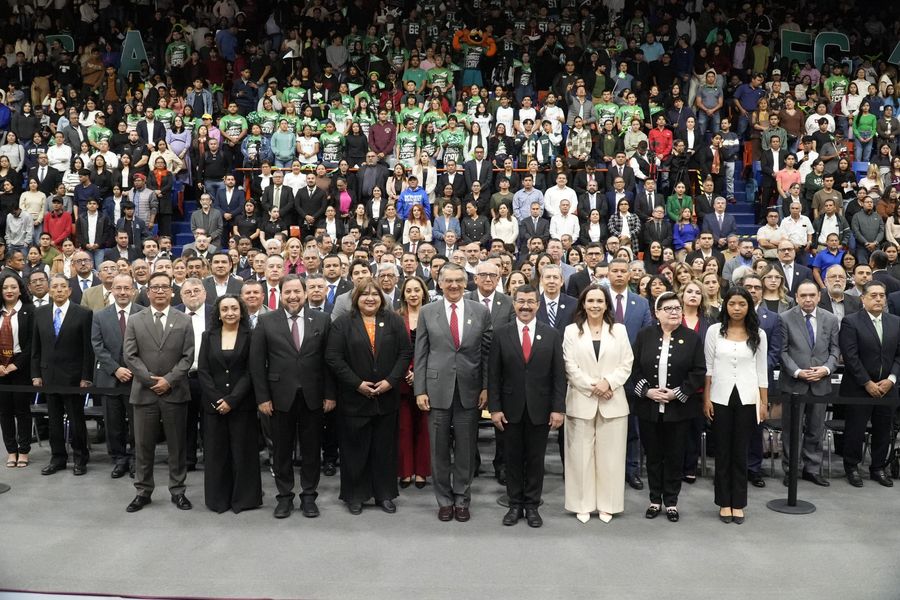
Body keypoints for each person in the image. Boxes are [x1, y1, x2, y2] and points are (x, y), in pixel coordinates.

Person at [250, 275, 336, 519]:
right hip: (278, 397)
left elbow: (329, 361)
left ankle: (309, 495)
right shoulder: (266, 321)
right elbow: (257, 363)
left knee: (312, 450)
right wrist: (262, 398)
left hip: (313, 396)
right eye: (287, 292)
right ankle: (285, 496)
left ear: (305, 293)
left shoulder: (322, 319)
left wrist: (330, 394)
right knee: (281, 450)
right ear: (281, 295)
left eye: (297, 291)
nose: (293, 296)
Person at [325, 278, 412, 515]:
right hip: (354, 398)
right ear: (356, 298)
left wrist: (390, 381)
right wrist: (357, 384)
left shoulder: (394, 320)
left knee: (384, 449)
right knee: (355, 450)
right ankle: (355, 495)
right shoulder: (343, 323)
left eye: (375, 294)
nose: (370, 298)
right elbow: (333, 357)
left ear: (382, 298)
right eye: (365, 294)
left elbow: (405, 353)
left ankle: (385, 494)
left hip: (386, 397)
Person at [414, 263, 492, 523]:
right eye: (449, 280)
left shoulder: (480, 312)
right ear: (440, 283)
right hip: (436, 390)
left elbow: (486, 354)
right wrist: (420, 390)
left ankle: (462, 498)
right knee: (438, 449)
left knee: (465, 449)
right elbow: (421, 353)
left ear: (466, 282)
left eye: (459, 280)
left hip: (470, 390)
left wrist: (486, 387)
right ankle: (444, 500)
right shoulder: (427, 312)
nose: (454, 285)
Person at [488, 284, 565, 528]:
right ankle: (514, 505)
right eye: (521, 301)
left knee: (535, 459)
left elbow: (559, 376)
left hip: (540, 409)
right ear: (514, 304)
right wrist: (494, 408)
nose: (525, 306)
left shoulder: (551, 334)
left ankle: (531, 506)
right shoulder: (501, 333)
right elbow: (493, 375)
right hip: (509, 409)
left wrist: (558, 408)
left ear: (538, 305)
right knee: (512, 459)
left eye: (531, 302)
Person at [123, 272, 195, 512]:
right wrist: (151, 380)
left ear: (172, 292)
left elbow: (188, 357)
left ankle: (178, 490)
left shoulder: (184, 320)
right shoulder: (135, 320)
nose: (161, 291)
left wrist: (169, 380)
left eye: (165, 287)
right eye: (155, 287)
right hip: (145, 393)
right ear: (148, 292)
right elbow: (129, 355)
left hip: (175, 392)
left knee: (177, 446)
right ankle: (143, 491)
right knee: (143, 446)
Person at [563, 284, 634, 524]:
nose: (595, 305)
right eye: (590, 301)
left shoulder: (619, 331)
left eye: (600, 301)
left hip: (613, 400)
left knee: (611, 457)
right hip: (580, 399)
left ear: (606, 305)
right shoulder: (571, 331)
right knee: (580, 457)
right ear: (583, 304)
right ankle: (581, 503)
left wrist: (608, 383)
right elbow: (569, 365)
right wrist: (592, 386)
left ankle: (608, 504)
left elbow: (627, 362)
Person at [631, 292, 705, 521]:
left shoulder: (692, 338)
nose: (674, 312)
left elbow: (698, 371)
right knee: (653, 455)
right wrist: (647, 391)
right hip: (649, 407)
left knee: (674, 456)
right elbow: (634, 368)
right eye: (668, 308)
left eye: (677, 308)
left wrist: (677, 393)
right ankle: (654, 500)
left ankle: (671, 502)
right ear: (657, 313)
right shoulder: (644, 336)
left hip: (679, 409)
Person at [704, 286, 769, 524]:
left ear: (749, 307)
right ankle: (724, 502)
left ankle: (738, 502)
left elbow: (761, 370)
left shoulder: (758, 334)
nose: (737, 308)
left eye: (742, 304)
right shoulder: (714, 331)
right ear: (725, 306)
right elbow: (708, 368)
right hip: (719, 397)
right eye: (732, 304)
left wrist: (764, 402)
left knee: (741, 450)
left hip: (747, 397)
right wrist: (706, 398)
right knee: (723, 451)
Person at [197, 294, 262, 513]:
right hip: (214, 406)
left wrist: (232, 400)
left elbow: (251, 371)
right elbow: (203, 371)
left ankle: (244, 499)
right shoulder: (208, 336)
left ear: (241, 312)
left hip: (241, 405)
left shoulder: (251, 336)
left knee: (243, 454)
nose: (230, 313)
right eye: (225, 309)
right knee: (217, 454)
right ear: (218, 313)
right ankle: (218, 500)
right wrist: (218, 399)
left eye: (234, 308)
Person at [838, 281, 900, 488]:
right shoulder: (851, 322)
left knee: (883, 430)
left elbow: (899, 355)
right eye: (873, 295)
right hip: (859, 387)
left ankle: (878, 468)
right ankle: (852, 467)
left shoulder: (895, 322)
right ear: (863, 298)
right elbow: (850, 357)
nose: (878, 299)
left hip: (887, 388)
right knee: (855, 430)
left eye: (882, 295)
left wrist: (891, 379)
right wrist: (867, 382)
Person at [31, 273, 94, 476]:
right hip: (48, 376)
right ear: (49, 291)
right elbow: (36, 347)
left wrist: (86, 377)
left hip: (74, 377)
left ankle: (80, 458)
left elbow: (88, 349)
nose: (58, 290)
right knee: (54, 421)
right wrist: (36, 374)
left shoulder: (83, 313)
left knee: (76, 420)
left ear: (69, 290)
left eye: (62, 286)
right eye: (55, 286)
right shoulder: (40, 313)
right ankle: (57, 458)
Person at [778, 280, 840, 487]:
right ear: (796, 297)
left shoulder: (830, 319)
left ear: (819, 296)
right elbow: (782, 351)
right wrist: (797, 372)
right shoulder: (785, 318)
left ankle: (812, 469)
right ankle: (791, 470)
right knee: (792, 430)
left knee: (816, 429)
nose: (808, 299)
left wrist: (826, 369)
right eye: (803, 295)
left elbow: (835, 350)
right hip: (794, 383)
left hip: (820, 382)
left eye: (812, 295)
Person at [90, 273, 143, 479]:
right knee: (113, 423)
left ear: (133, 291)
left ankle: (137, 458)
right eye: (118, 288)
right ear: (111, 290)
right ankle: (119, 459)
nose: (122, 292)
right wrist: (116, 369)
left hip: (136, 379)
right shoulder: (100, 316)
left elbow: (148, 345)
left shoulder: (143, 313)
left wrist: (134, 369)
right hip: (110, 379)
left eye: (126, 288)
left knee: (137, 424)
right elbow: (97, 345)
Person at [397, 276, 430, 489]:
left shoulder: (432, 316)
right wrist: (406, 372)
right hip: (402, 380)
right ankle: (406, 471)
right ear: (403, 295)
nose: (413, 294)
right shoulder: (396, 318)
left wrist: (419, 373)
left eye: (417, 290)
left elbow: (436, 349)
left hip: (426, 379)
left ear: (423, 293)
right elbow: (392, 350)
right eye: (408, 291)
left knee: (424, 427)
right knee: (404, 428)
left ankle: (422, 472)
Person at [0, 273, 33, 469]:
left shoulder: (30, 310)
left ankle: (24, 451)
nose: (9, 290)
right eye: (5, 287)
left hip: (21, 367)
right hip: (0, 368)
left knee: (22, 411)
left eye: (13, 287)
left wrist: (16, 364)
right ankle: (11, 451)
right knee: (4, 412)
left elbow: (32, 343)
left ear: (20, 290)